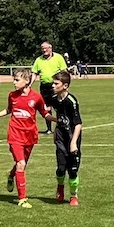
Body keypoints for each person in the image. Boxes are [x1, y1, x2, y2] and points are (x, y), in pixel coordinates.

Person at [0, 68, 49, 208]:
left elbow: (45, 113)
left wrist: (57, 120)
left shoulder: (36, 97)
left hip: (30, 136)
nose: (14, 83)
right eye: (14, 80)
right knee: (21, 164)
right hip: (15, 135)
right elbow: (9, 109)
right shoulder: (12, 95)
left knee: (21, 164)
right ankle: (22, 199)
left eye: (17, 80)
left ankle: (11, 175)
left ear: (27, 81)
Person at [50, 70, 83, 206]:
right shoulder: (54, 99)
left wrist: (74, 142)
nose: (53, 86)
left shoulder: (71, 101)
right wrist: (55, 130)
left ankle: (74, 196)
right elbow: (55, 116)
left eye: (56, 83)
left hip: (72, 137)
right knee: (61, 168)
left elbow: (78, 124)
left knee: (73, 170)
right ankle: (60, 186)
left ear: (65, 86)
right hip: (60, 138)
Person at [32, 42, 68, 134]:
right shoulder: (38, 60)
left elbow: (64, 71)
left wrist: (65, 84)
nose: (44, 50)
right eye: (42, 48)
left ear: (50, 48)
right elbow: (34, 73)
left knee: (59, 105)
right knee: (46, 108)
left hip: (56, 86)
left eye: (46, 48)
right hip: (44, 87)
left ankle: (62, 125)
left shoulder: (58, 57)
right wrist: (30, 84)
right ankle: (49, 129)